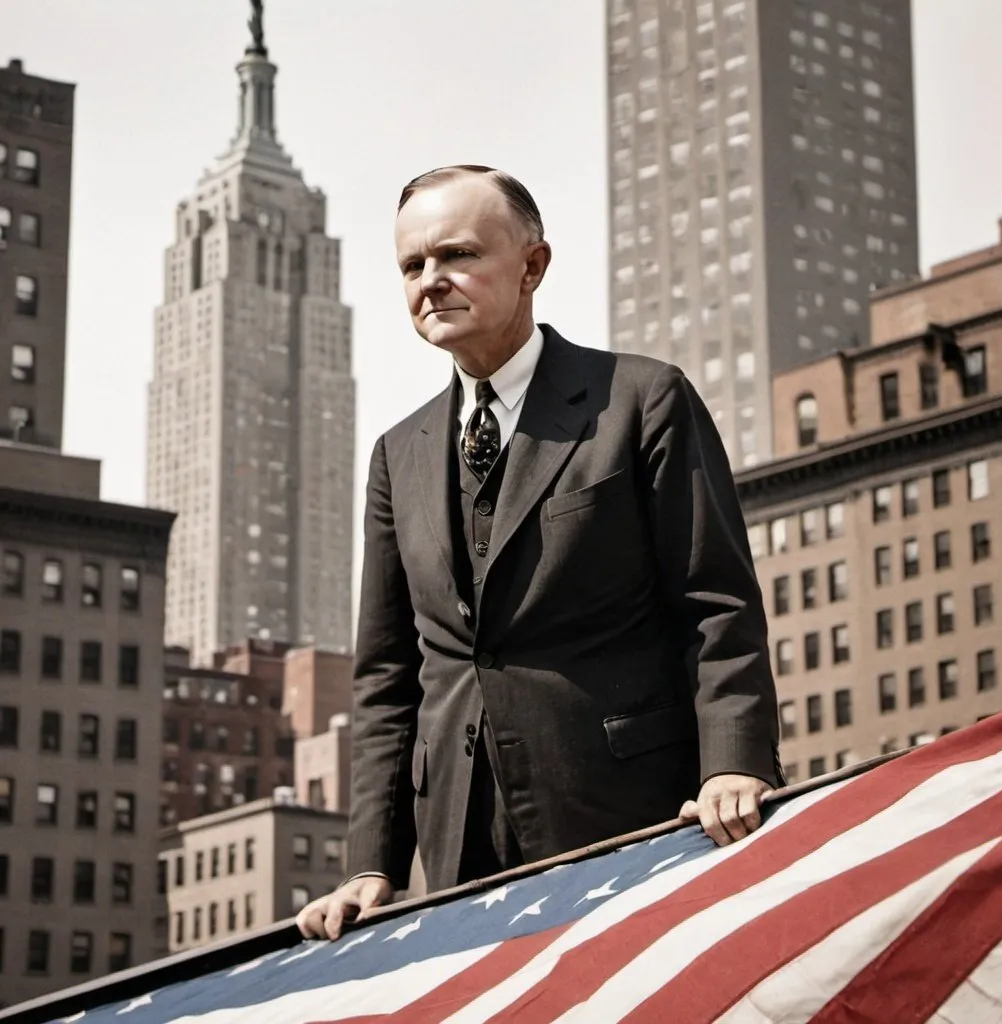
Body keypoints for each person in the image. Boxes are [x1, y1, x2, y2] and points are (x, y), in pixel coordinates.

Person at [297, 165, 783, 942]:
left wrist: (733, 762)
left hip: (633, 820)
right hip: (459, 848)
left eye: (456, 255)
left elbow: (714, 602)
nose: (431, 282)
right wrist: (371, 863)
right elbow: (388, 678)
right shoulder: (398, 454)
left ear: (532, 266)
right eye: (412, 266)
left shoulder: (643, 400)